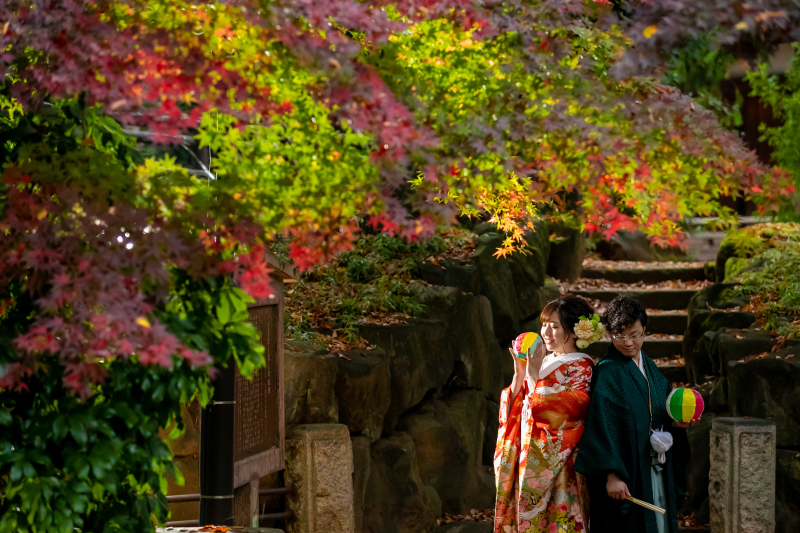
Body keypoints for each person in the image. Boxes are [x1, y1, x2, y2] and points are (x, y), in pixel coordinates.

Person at [575, 295, 691, 533]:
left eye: (635, 335)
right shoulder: (607, 372)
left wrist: (676, 424)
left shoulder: (651, 368)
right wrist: (611, 474)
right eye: (620, 336)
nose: (628, 343)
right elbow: (601, 425)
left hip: (655, 464)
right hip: (626, 472)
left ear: (644, 330)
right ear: (610, 334)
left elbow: (662, 411)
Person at [494, 295, 601, 533]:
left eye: (555, 326)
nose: (546, 332)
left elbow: (568, 412)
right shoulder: (543, 360)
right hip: (527, 452)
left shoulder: (581, 366)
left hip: (559, 462)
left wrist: (534, 378)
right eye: (544, 325)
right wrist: (519, 374)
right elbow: (516, 407)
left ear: (575, 332)